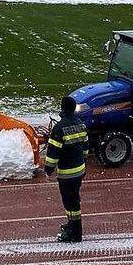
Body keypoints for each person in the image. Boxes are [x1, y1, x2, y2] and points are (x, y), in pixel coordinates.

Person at [44, 96, 89, 243]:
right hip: (79, 170)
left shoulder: (59, 128)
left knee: (70, 202)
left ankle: (75, 232)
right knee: (74, 199)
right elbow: (85, 148)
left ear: (62, 108)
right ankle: (72, 225)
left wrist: (48, 170)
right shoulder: (80, 124)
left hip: (67, 174)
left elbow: (52, 153)